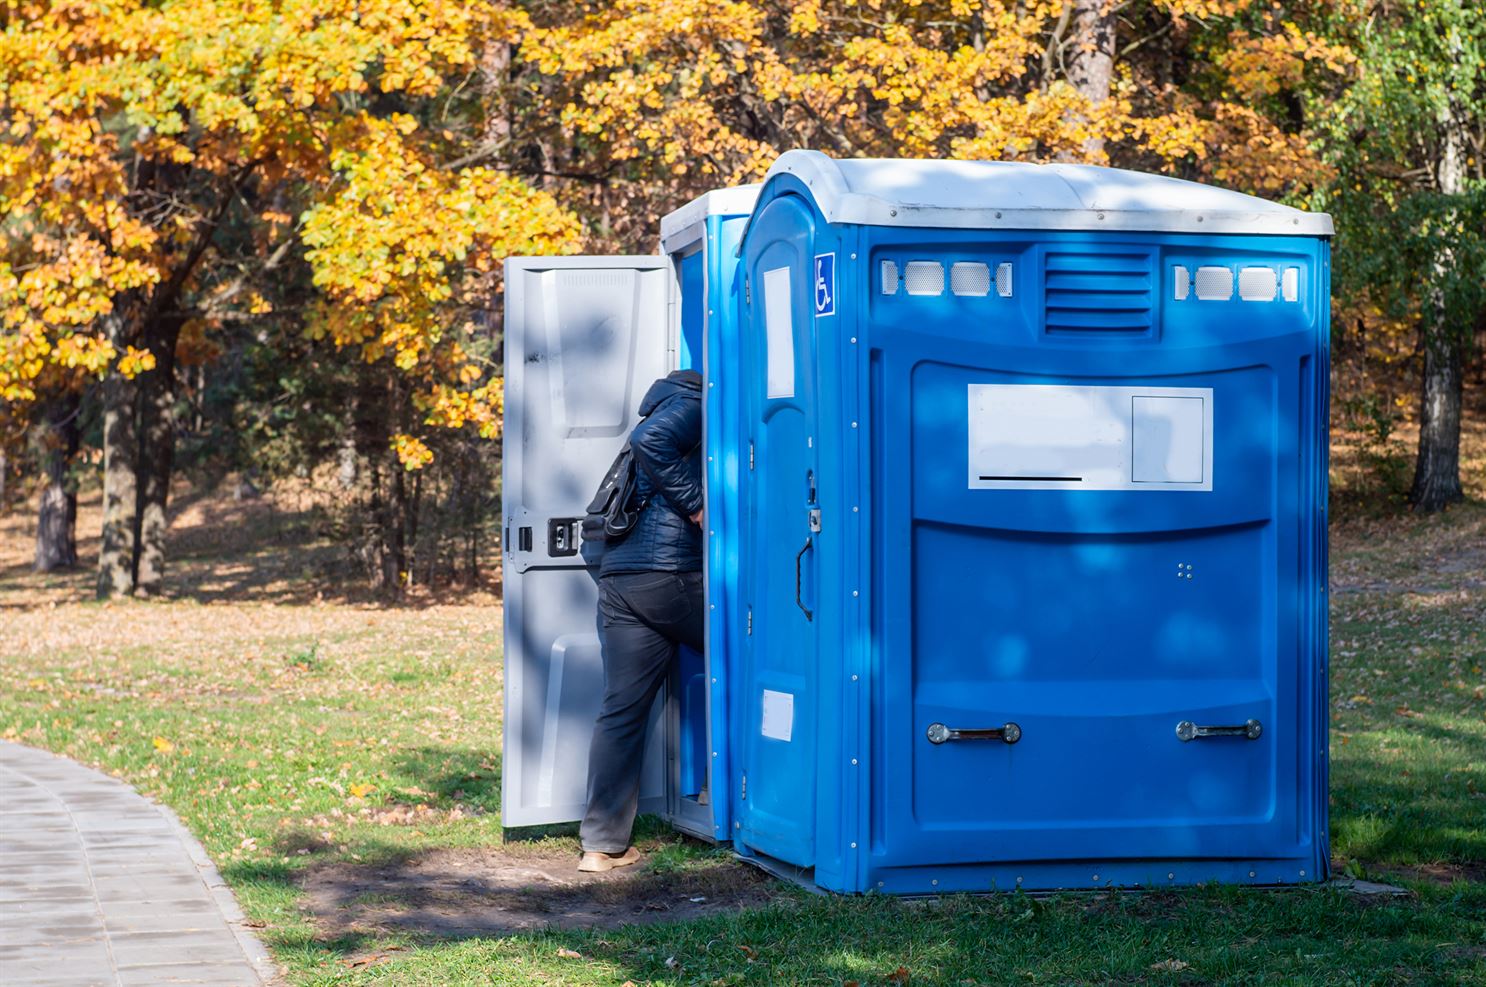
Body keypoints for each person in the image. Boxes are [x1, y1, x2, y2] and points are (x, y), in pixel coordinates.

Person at [578, 369, 704, 873]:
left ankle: (602, 846)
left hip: (622, 583)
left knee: (621, 711)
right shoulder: (699, 404)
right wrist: (697, 505)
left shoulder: (662, 407)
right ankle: (764, 803)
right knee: (766, 654)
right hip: (670, 576)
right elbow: (651, 440)